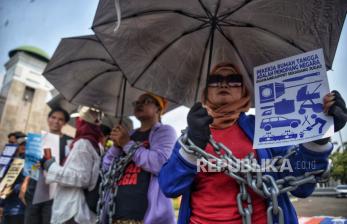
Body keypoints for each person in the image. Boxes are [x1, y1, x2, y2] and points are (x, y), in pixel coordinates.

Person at [159, 62, 347, 224]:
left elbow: (302, 187)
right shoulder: (190, 135)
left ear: (244, 89)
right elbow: (169, 187)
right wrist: (193, 143)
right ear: (206, 90)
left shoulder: (265, 127)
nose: (224, 83)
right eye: (215, 80)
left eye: (233, 79)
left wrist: (317, 140)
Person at [101, 93, 176, 224]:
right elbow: (106, 168)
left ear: (158, 108)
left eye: (146, 101)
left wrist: (126, 144)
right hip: (117, 215)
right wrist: (116, 147)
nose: (139, 104)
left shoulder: (165, 132)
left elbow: (160, 163)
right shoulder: (129, 135)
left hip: (145, 217)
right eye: (136, 103)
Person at [41, 107, 103, 224]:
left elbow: (81, 178)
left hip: (72, 210)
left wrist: (51, 167)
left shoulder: (83, 144)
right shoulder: (95, 143)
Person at [21, 107, 72, 224]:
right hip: (34, 188)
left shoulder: (69, 142)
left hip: (55, 191)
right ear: (48, 119)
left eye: (60, 119)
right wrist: (25, 183)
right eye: (53, 117)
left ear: (64, 123)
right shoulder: (36, 139)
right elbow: (31, 166)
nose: (56, 121)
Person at [0, 137, 27, 224]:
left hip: (21, 209)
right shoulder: (11, 161)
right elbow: (6, 183)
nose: (24, 146)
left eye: (26, 145)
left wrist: (18, 187)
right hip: (7, 209)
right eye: (21, 144)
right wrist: (1, 204)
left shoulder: (34, 164)